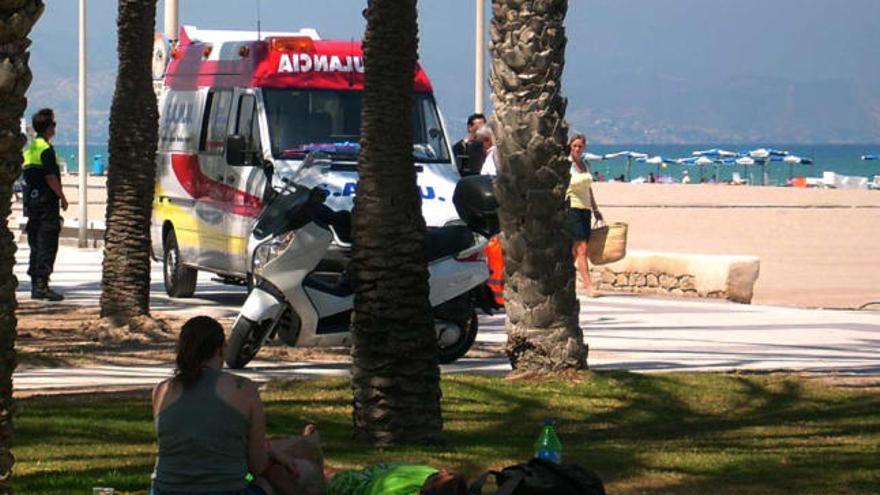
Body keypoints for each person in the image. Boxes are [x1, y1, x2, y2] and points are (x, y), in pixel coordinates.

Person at [151, 316, 299, 495]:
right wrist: (270, 458)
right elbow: (256, 467)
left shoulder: (162, 390)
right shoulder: (244, 390)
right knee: (265, 484)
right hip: (228, 490)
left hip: (165, 491)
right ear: (221, 349)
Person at [22, 108, 68, 301]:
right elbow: (50, 177)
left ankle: (35, 284)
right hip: (46, 203)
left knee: (35, 244)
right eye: (54, 125)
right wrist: (62, 196)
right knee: (47, 243)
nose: (55, 128)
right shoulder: (46, 150)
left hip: (31, 203)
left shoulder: (30, 149)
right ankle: (42, 285)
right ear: (48, 127)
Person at [566, 134, 603, 298]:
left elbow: (588, 189)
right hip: (572, 206)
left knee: (575, 251)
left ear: (584, 147)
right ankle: (589, 286)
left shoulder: (584, 164)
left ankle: (565, 281)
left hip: (585, 208)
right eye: (574, 146)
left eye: (579, 146)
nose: (577, 149)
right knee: (582, 249)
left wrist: (595, 208)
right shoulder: (567, 164)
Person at [327, 463, 467, 495]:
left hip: (361, 485)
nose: (442, 470)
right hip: (380, 471)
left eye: (443, 475)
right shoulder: (427, 477)